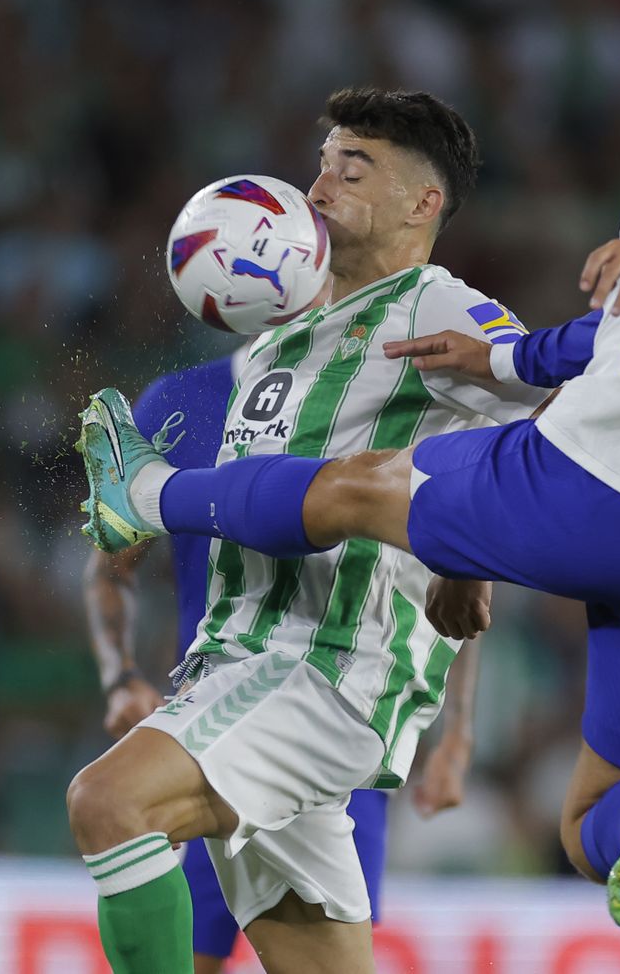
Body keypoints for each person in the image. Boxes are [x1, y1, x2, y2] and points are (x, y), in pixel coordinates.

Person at [78, 0, 620, 931]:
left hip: (598, 494)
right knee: (591, 818)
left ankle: (145, 493)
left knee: (359, 485)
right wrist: (505, 372)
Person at [67, 87, 544, 974]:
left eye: (353, 169)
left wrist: (470, 549)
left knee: (109, 803)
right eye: (322, 164)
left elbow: (550, 420)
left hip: (322, 670)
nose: (320, 186)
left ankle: (153, 492)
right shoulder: (288, 334)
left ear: (422, 202)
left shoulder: (434, 308)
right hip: (241, 665)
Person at [81, 349, 479, 974]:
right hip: (216, 713)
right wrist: (121, 678)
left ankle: (154, 491)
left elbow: (443, 572)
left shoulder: (373, 382)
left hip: (328, 708)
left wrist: (457, 731)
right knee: (139, 845)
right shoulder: (182, 402)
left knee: (112, 804)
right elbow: (110, 564)